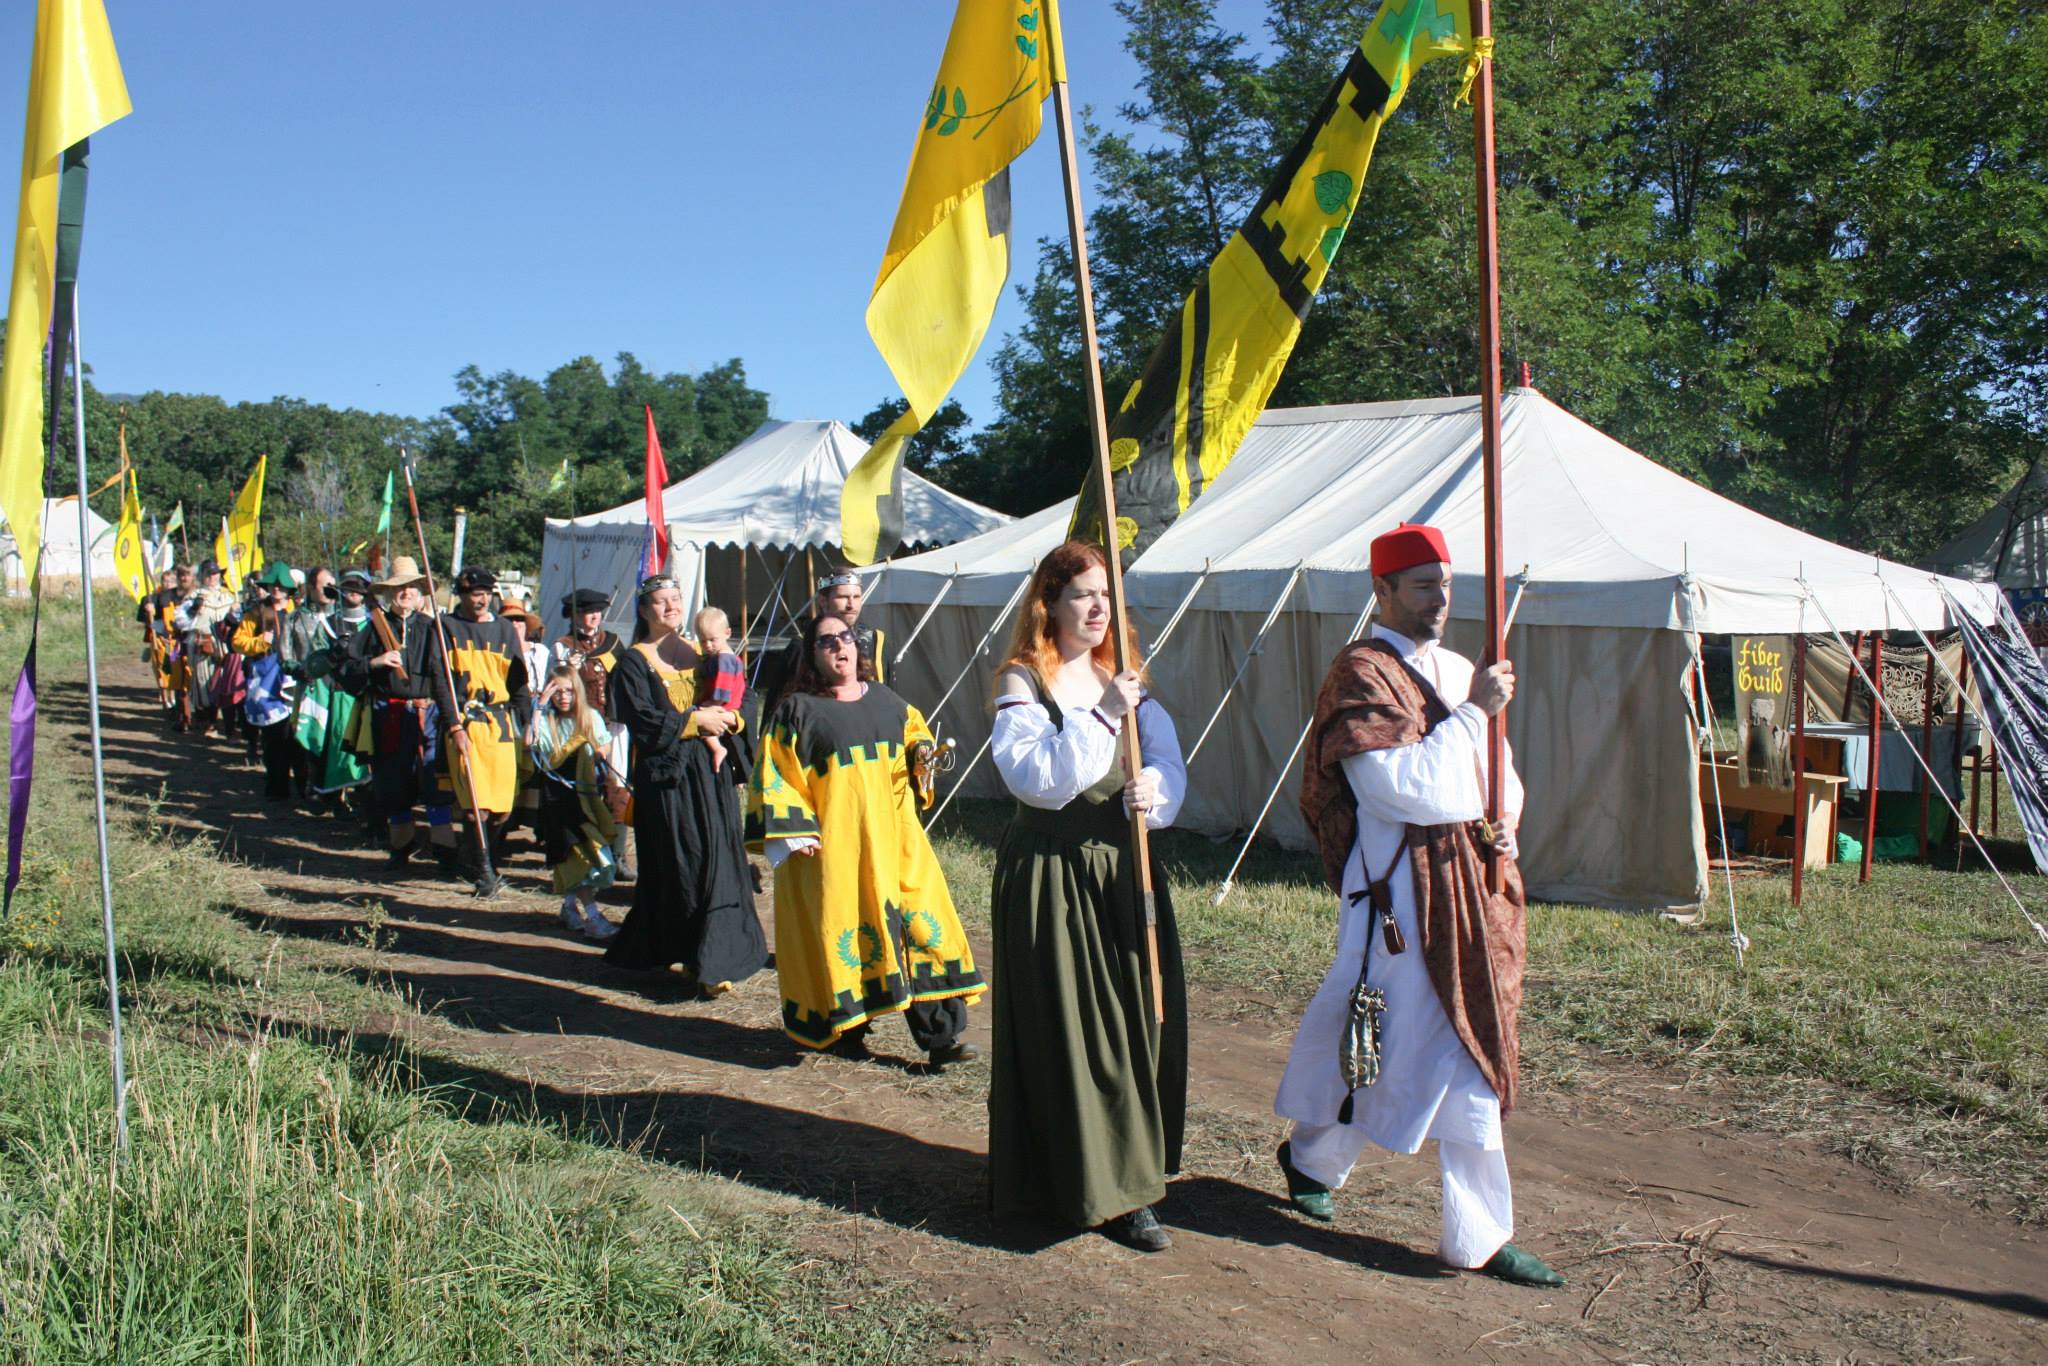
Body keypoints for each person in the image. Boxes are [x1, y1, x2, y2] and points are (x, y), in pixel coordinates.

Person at [1272, 522, 1561, 1288]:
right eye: (1424, 585)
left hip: (1468, 891)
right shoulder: (1362, 674)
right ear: (1384, 590)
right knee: (1374, 1035)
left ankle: (1478, 1234)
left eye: (1447, 582)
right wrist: (1471, 713)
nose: (1441, 599)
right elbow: (1397, 790)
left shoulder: (1460, 668)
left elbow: (1495, 773)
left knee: (1462, 1055)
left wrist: (1505, 819)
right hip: (1397, 896)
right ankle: (1310, 1156)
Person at [986, 541, 1188, 1253]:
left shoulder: (1127, 680)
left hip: (1122, 873)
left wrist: (1152, 794)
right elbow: (1036, 780)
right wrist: (1102, 714)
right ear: (1051, 604)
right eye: (1083, 594)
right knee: (1078, 1034)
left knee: (1136, 1025)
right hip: (1054, 876)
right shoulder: (1024, 683)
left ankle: (1125, 1172)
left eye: (1108, 593)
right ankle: (1102, 1191)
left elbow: (1166, 759)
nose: (1099, 606)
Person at [749, 613, 982, 1062]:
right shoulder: (796, 711)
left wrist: (922, 754)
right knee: (850, 936)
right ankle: (846, 1032)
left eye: (846, 637)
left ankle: (940, 1040)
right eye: (826, 642)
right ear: (811, 656)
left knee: (921, 929)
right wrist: (796, 832)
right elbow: (775, 773)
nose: (840, 646)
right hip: (839, 853)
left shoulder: (889, 701)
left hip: (896, 843)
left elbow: (916, 735)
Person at [602, 575, 767, 993]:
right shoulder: (635, 663)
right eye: (660, 601)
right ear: (644, 611)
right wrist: (696, 721)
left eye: (676, 599)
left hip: (711, 779)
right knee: (683, 862)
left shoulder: (702, 651)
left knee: (721, 861)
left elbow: (742, 695)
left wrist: (732, 719)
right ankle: (688, 953)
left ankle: (716, 960)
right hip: (669, 782)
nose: (671, 607)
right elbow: (641, 720)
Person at [335, 555, 461, 872]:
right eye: (400, 588)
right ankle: (400, 849)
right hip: (387, 714)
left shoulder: (434, 628)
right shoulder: (374, 629)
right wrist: (375, 662)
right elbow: (347, 671)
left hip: (428, 716)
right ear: (390, 593)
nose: (406, 593)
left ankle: (445, 854)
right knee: (394, 784)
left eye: (412, 587)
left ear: (420, 592)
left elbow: (446, 677)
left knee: (436, 784)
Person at [438, 567, 532, 879]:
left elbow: (518, 682)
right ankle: (483, 871)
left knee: (502, 808)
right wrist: (454, 726)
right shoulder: (446, 627)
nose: (481, 600)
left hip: (500, 723)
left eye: (486, 594)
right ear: (462, 595)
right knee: (475, 806)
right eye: (474, 594)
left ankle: (474, 856)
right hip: (466, 722)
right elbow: (441, 682)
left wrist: (528, 722)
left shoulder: (505, 630)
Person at [528, 663, 620, 940]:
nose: (563, 697)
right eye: (557, 691)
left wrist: (598, 755)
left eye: (568, 691)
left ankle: (570, 908)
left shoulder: (589, 716)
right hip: (558, 800)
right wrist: (540, 705)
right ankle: (592, 916)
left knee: (587, 854)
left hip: (585, 797)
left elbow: (603, 743)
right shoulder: (546, 721)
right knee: (577, 856)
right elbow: (531, 740)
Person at [554, 587, 634, 879]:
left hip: (613, 724)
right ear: (575, 615)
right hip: (582, 725)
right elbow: (558, 688)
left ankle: (618, 857)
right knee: (586, 788)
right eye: (588, 612)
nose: (593, 617)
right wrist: (568, 669)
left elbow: (627, 676)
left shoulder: (612, 643)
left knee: (618, 786)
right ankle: (586, 855)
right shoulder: (564, 646)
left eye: (597, 612)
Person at [287, 568, 372, 804]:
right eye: (348, 586)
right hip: (337, 697)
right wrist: (333, 656)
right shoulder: (329, 624)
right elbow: (313, 664)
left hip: (368, 698)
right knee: (337, 750)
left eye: (358, 586)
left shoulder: (375, 622)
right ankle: (335, 800)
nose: (353, 592)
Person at [755, 571, 888, 708]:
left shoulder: (875, 640)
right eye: (843, 597)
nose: (851, 605)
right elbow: (779, 705)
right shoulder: (803, 645)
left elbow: (887, 695)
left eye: (856, 597)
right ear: (823, 602)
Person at [231, 579, 298, 803]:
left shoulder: (297, 610)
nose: (276, 589)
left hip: (294, 679)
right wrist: (260, 642)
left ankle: (302, 787)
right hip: (267, 681)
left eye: (281, 585)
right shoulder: (257, 613)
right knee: (273, 736)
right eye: (273, 585)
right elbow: (238, 642)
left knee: (296, 737)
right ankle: (277, 787)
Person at [175, 560, 238, 738]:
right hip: (204, 645)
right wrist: (194, 610)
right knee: (206, 684)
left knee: (227, 683)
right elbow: (181, 622)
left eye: (215, 573)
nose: (212, 577)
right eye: (209, 574)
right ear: (203, 575)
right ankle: (210, 723)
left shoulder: (229, 596)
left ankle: (229, 726)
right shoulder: (194, 596)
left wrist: (235, 615)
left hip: (226, 646)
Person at [138, 567, 188, 728]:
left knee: (177, 671)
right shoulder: (153, 598)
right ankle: (166, 700)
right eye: (165, 581)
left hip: (178, 643)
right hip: (162, 642)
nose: (168, 584)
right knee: (163, 669)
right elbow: (151, 622)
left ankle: (175, 701)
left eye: (171, 581)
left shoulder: (181, 596)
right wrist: (149, 611)